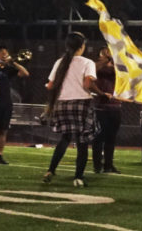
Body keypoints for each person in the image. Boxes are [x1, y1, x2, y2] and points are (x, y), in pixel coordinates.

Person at [42, 32, 106, 187]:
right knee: (82, 142)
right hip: (81, 104)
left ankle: (50, 170)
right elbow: (88, 85)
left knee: (65, 138)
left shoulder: (60, 62)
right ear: (82, 46)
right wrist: (102, 94)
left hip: (62, 104)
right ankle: (78, 177)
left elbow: (50, 85)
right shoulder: (87, 62)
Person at [0, 45, 30, 165]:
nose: (4, 54)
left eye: (6, 53)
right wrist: (1, 64)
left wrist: (13, 63)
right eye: (1, 53)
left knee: (3, 130)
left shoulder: (9, 69)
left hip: (6, 101)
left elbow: (25, 73)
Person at [91, 47, 122, 174]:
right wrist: (106, 59)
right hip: (100, 107)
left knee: (111, 138)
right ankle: (97, 165)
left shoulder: (117, 67)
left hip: (115, 106)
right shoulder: (95, 66)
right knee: (98, 137)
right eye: (105, 52)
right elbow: (94, 70)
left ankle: (108, 165)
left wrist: (114, 60)